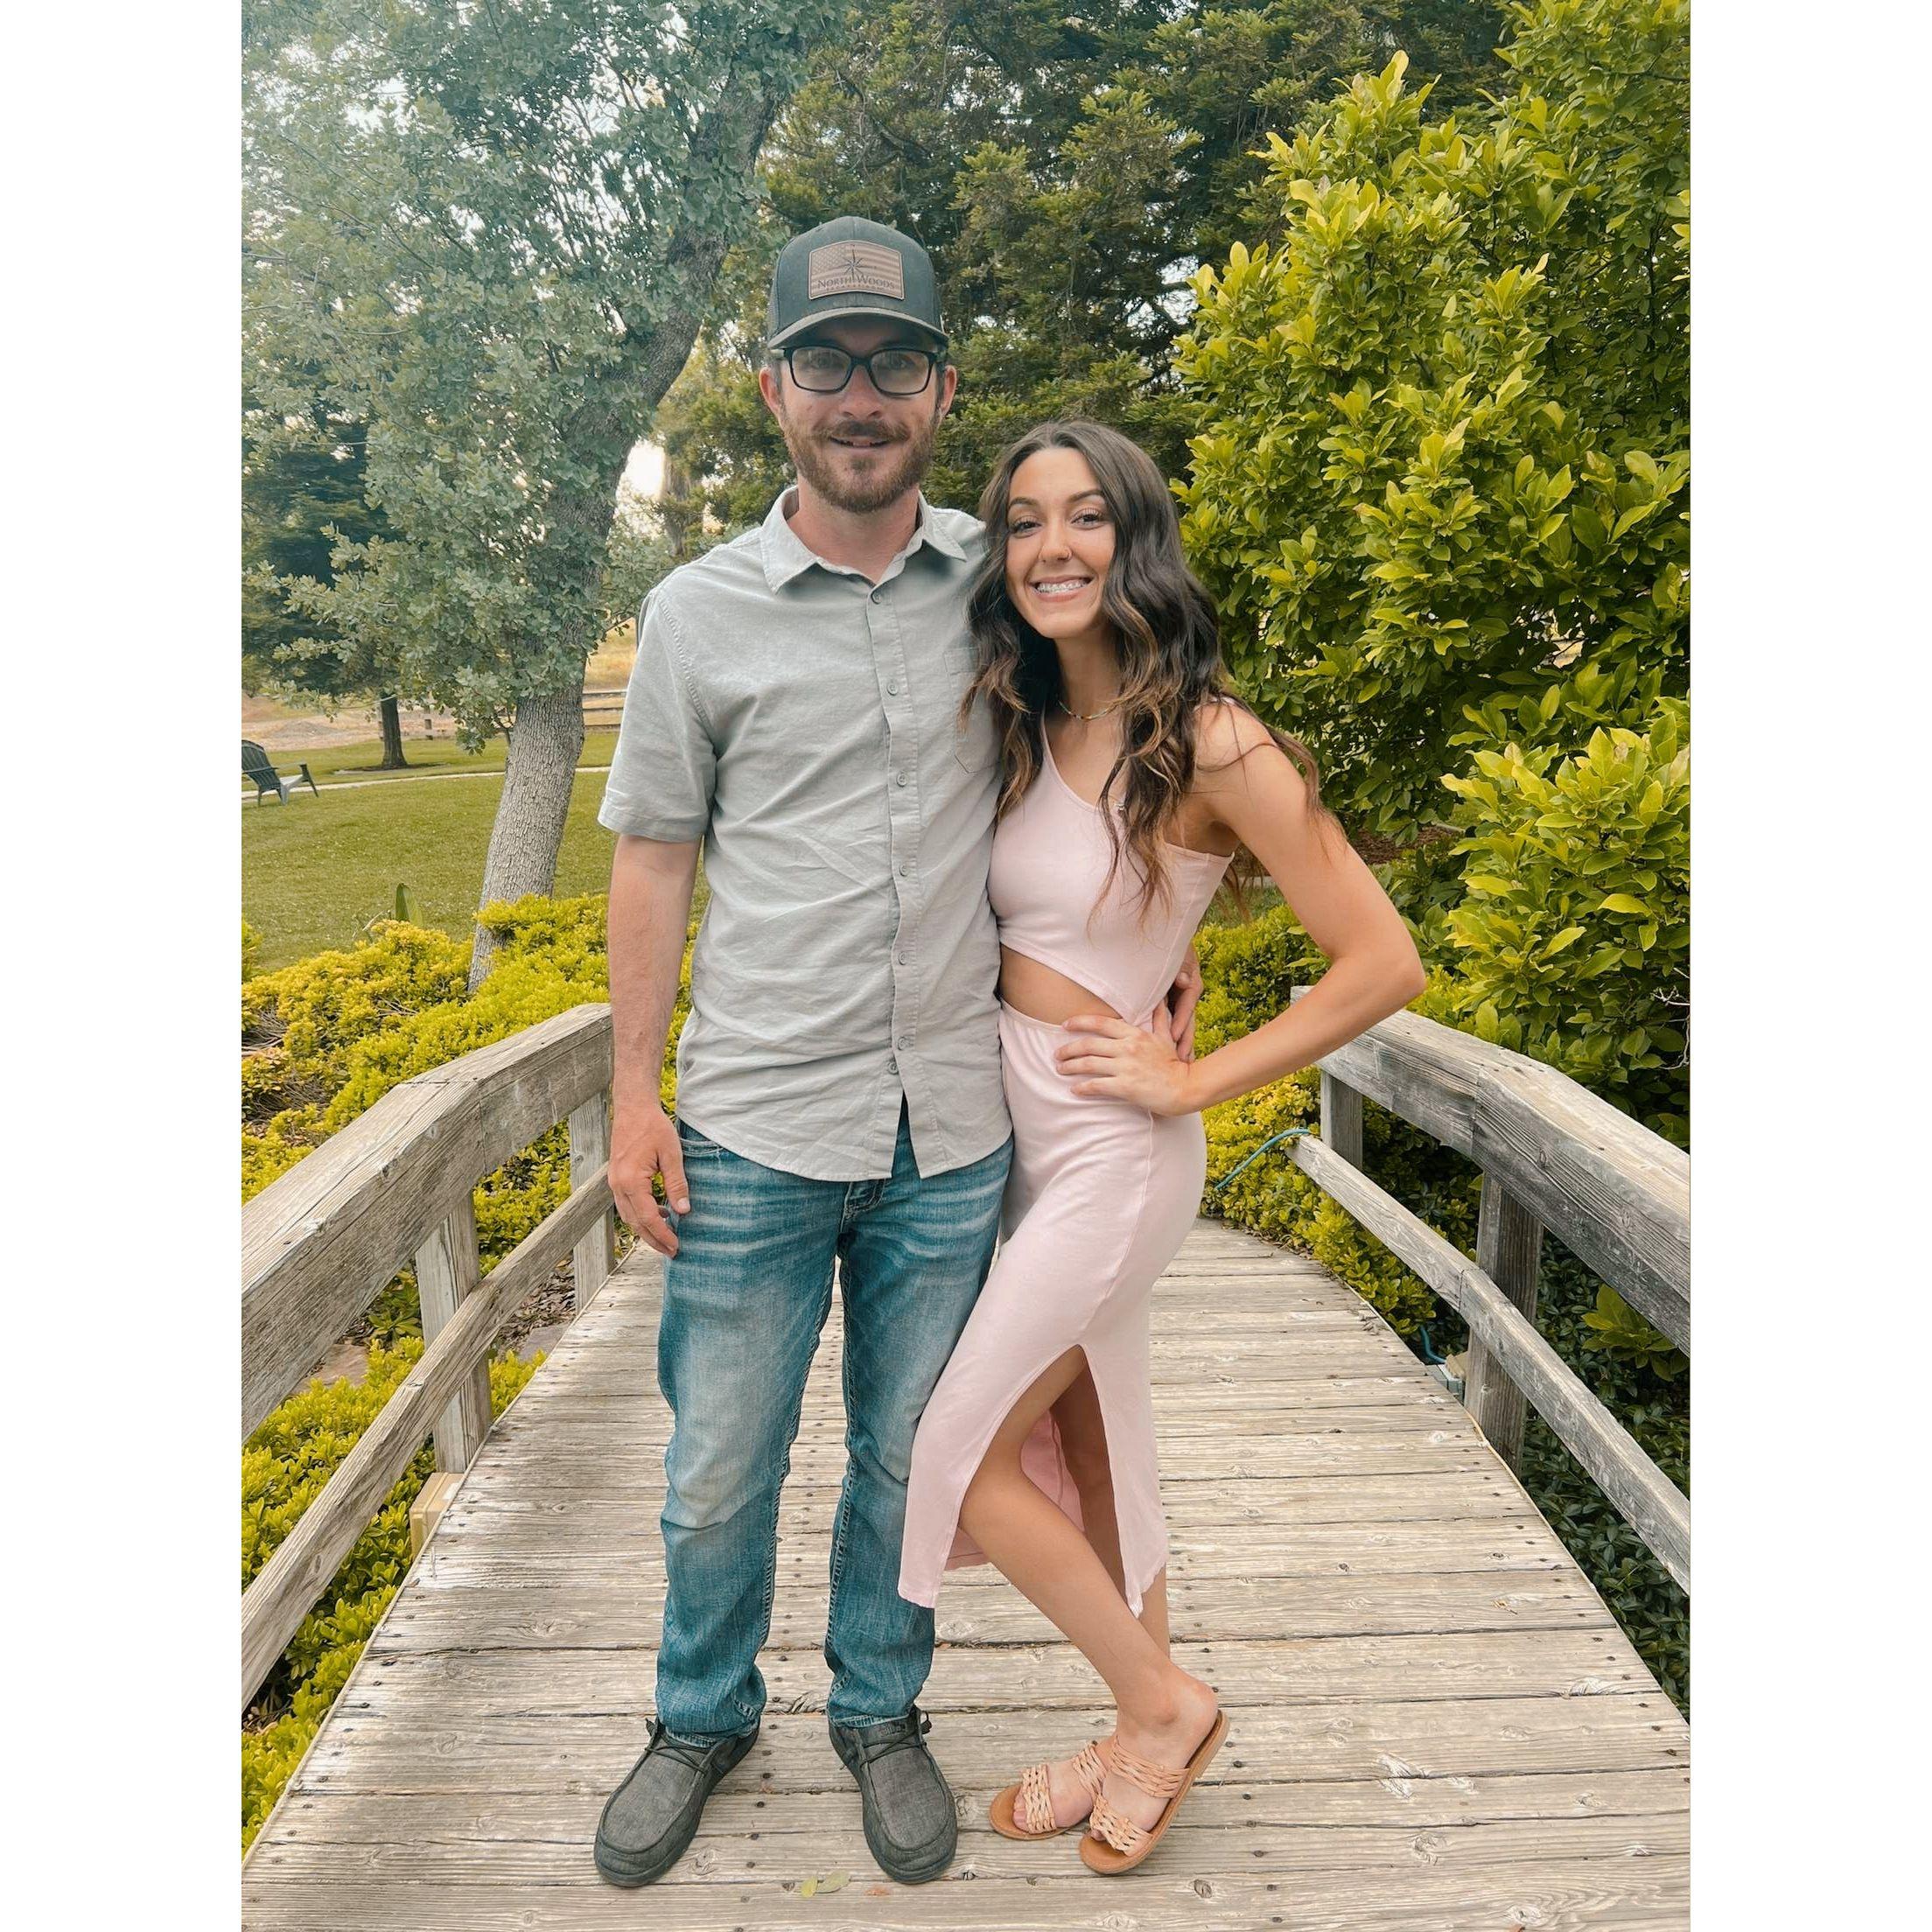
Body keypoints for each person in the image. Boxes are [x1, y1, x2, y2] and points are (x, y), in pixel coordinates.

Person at [588, 218, 1202, 1891]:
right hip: (755, 1123)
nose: (859, 396)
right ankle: (699, 1719)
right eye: (825, 363)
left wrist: (1165, 958)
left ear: (939, 389)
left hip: (956, 1127)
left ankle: (880, 1710)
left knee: (903, 1453)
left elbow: (1126, 756)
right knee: (718, 1465)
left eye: (893, 364)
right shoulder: (696, 615)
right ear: (774, 389)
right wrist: (633, 1095)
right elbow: (652, 857)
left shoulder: (1011, 584)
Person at [894, 418, 1428, 1874]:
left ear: (1137, 540)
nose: (1051, 546)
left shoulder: (1212, 737)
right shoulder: (1021, 718)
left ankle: (1162, 1704)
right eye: (1022, 521)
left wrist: (1195, 1082)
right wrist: (1159, 954)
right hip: (1021, 1136)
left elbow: (1383, 960)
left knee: (958, 1455)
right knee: (1093, 1439)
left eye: (1086, 516)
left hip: (1116, 1151)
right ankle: (1137, 1732)